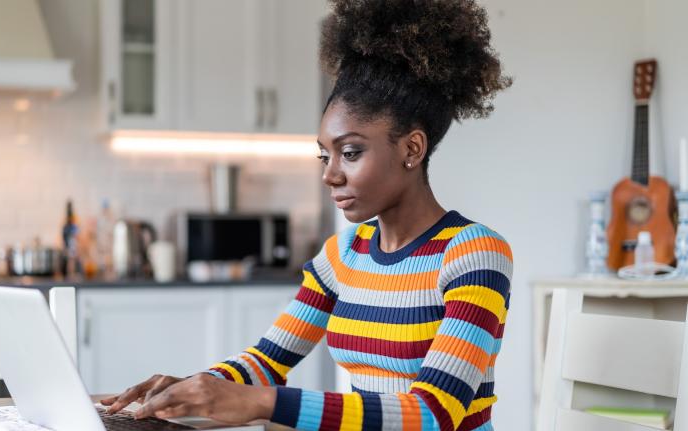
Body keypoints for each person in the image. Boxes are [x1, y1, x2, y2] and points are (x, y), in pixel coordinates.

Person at [101, 0, 513, 429]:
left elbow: (434, 414)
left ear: (412, 148)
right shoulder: (343, 255)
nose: (329, 175)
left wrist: (265, 403)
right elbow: (266, 362)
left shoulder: (473, 254)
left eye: (350, 153)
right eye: (324, 155)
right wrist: (194, 386)